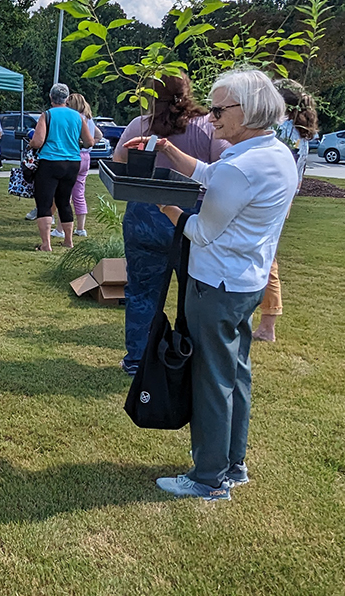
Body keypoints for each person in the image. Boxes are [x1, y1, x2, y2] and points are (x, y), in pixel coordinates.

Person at [124, 69, 298, 501]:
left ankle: (208, 478)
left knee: (211, 379)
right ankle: (232, 464)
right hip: (245, 282)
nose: (212, 116)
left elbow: (200, 232)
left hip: (215, 283)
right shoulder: (273, 153)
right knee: (235, 371)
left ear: (249, 111)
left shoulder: (240, 167)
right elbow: (208, 172)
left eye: (220, 109)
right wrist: (166, 148)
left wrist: (162, 202)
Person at [114, 73, 227, 375]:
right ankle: (194, 359)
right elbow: (224, 169)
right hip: (194, 214)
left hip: (145, 213)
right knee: (196, 291)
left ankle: (137, 360)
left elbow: (118, 159)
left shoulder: (140, 125)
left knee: (141, 291)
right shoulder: (207, 126)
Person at [252, 79, 320, 342]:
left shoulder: (280, 130)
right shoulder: (299, 132)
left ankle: (267, 325)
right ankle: (266, 323)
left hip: (270, 198)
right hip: (285, 198)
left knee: (266, 260)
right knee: (267, 258)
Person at [29, 84, 93, 250]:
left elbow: (38, 142)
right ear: (67, 98)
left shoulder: (47, 115)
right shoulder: (78, 117)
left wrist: (30, 143)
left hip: (50, 162)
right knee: (64, 201)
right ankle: (68, 241)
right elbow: (89, 142)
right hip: (72, 163)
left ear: (51, 97)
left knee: (44, 202)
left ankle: (46, 244)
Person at [51, 92, 102, 239]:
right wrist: (90, 144)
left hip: (73, 156)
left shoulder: (74, 119)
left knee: (64, 194)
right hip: (86, 157)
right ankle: (81, 228)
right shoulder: (89, 119)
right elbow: (98, 136)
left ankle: (60, 229)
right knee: (79, 194)